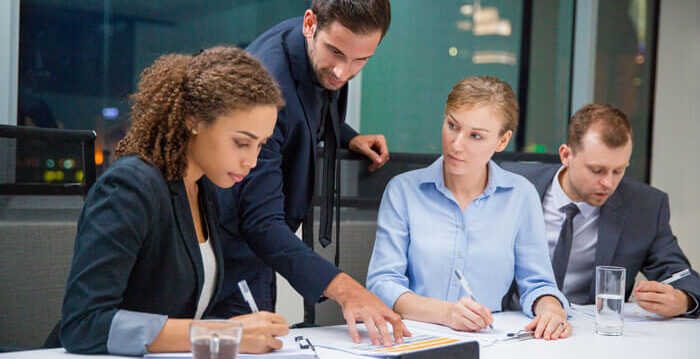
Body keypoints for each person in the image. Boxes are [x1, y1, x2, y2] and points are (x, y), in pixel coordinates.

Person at [59, 46, 290, 356]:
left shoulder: (202, 189)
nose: (251, 161)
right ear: (194, 120)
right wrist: (224, 332)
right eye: (241, 142)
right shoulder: (129, 187)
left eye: (260, 145)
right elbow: (84, 324)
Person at [213, 0, 408, 347]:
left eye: (361, 60)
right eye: (335, 52)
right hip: (228, 248)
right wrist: (346, 290)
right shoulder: (266, 91)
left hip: (260, 242)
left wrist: (346, 136)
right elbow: (259, 222)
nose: (343, 71)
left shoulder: (322, 49)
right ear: (310, 24)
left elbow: (313, 104)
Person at [366, 76, 572, 341]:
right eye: (452, 125)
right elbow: (383, 284)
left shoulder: (520, 196)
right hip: (414, 340)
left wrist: (551, 310)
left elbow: (538, 283)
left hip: (490, 342)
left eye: (475, 136)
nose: (456, 144)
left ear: (502, 141)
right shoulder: (403, 191)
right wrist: (447, 313)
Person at [502, 103, 700, 317]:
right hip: (513, 321)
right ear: (566, 155)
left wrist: (682, 300)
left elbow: (681, 275)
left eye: (618, 171)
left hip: (590, 332)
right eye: (597, 170)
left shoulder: (645, 206)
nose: (608, 182)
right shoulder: (511, 184)